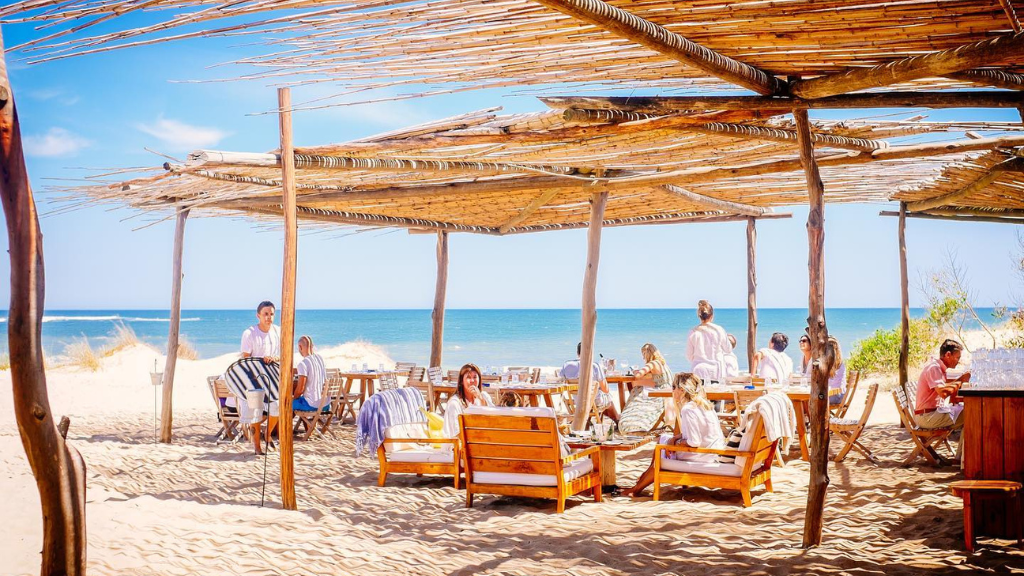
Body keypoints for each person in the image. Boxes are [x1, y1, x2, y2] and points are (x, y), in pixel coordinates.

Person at [622, 373, 725, 497]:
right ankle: (643, 480)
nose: (672, 391)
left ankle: (637, 488)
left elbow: (694, 442)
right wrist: (676, 438)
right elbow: (698, 432)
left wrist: (674, 443)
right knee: (663, 440)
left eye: (673, 387)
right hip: (712, 451)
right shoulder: (705, 405)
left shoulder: (688, 409)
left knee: (661, 451)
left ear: (681, 390)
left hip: (701, 455)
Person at [237, 300, 282, 456]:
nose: (268, 317)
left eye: (271, 314)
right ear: (258, 315)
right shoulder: (249, 333)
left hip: (273, 380)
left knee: (277, 409)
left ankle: (268, 435)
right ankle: (257, 448)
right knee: (256, 413)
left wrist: (274, 359)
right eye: (265, 314)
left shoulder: (277, 331)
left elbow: (282, 355)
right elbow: (245, 360)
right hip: (254, 380)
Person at [915, 338, 971, 430]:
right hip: (927, 417)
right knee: (972, 413)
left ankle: (964, 444)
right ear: (948, 354)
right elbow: (943, 393)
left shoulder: (938, 367)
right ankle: (969, 444)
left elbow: (944, 387)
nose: (959, 361)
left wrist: (960, 380)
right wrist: (961, 380)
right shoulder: (934, 368)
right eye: (957, 357)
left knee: (970, 411)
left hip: (931, 414)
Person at [618, 343, 673, 434]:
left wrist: (635, 371)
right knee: (638, 390)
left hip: (660, 395)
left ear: (646, 354)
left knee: (636, 391)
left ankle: (631, 423)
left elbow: (638, 376)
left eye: (643, 354)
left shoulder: (652, 363)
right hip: (667, 392)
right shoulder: (663, 364)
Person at [561, 342, 619, 423]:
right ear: (591, 352)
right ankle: (617, 420)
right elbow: (606, 390)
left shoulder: (566, 365)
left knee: (599, 399)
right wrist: (603, 375)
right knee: (608, 397)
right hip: (593, 401)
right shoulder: (594, 366)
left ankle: (587, 423)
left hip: (577, 401)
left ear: (577, 353)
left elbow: (561, 381)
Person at [442, 363, 495, 441]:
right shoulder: (455, 403)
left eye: (475, 377)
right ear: (461, 381)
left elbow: (494, 421)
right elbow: (455, 433)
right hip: (460, 446)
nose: (472, 381)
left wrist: (481, 399)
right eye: (468, 377)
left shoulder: (484, 396)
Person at [686, 300, 731, 383]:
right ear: (712, 316)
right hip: (716, 371)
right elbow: (728, 349)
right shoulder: (719, 330)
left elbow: (689, 355)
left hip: (698, 370)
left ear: (699, 316)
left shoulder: (693, 332)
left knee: (699, 395)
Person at [825, 337, 847, 405]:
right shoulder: (840, 363)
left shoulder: (833, 364)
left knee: (812, 400)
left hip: (836, 396)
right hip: (840, 395)